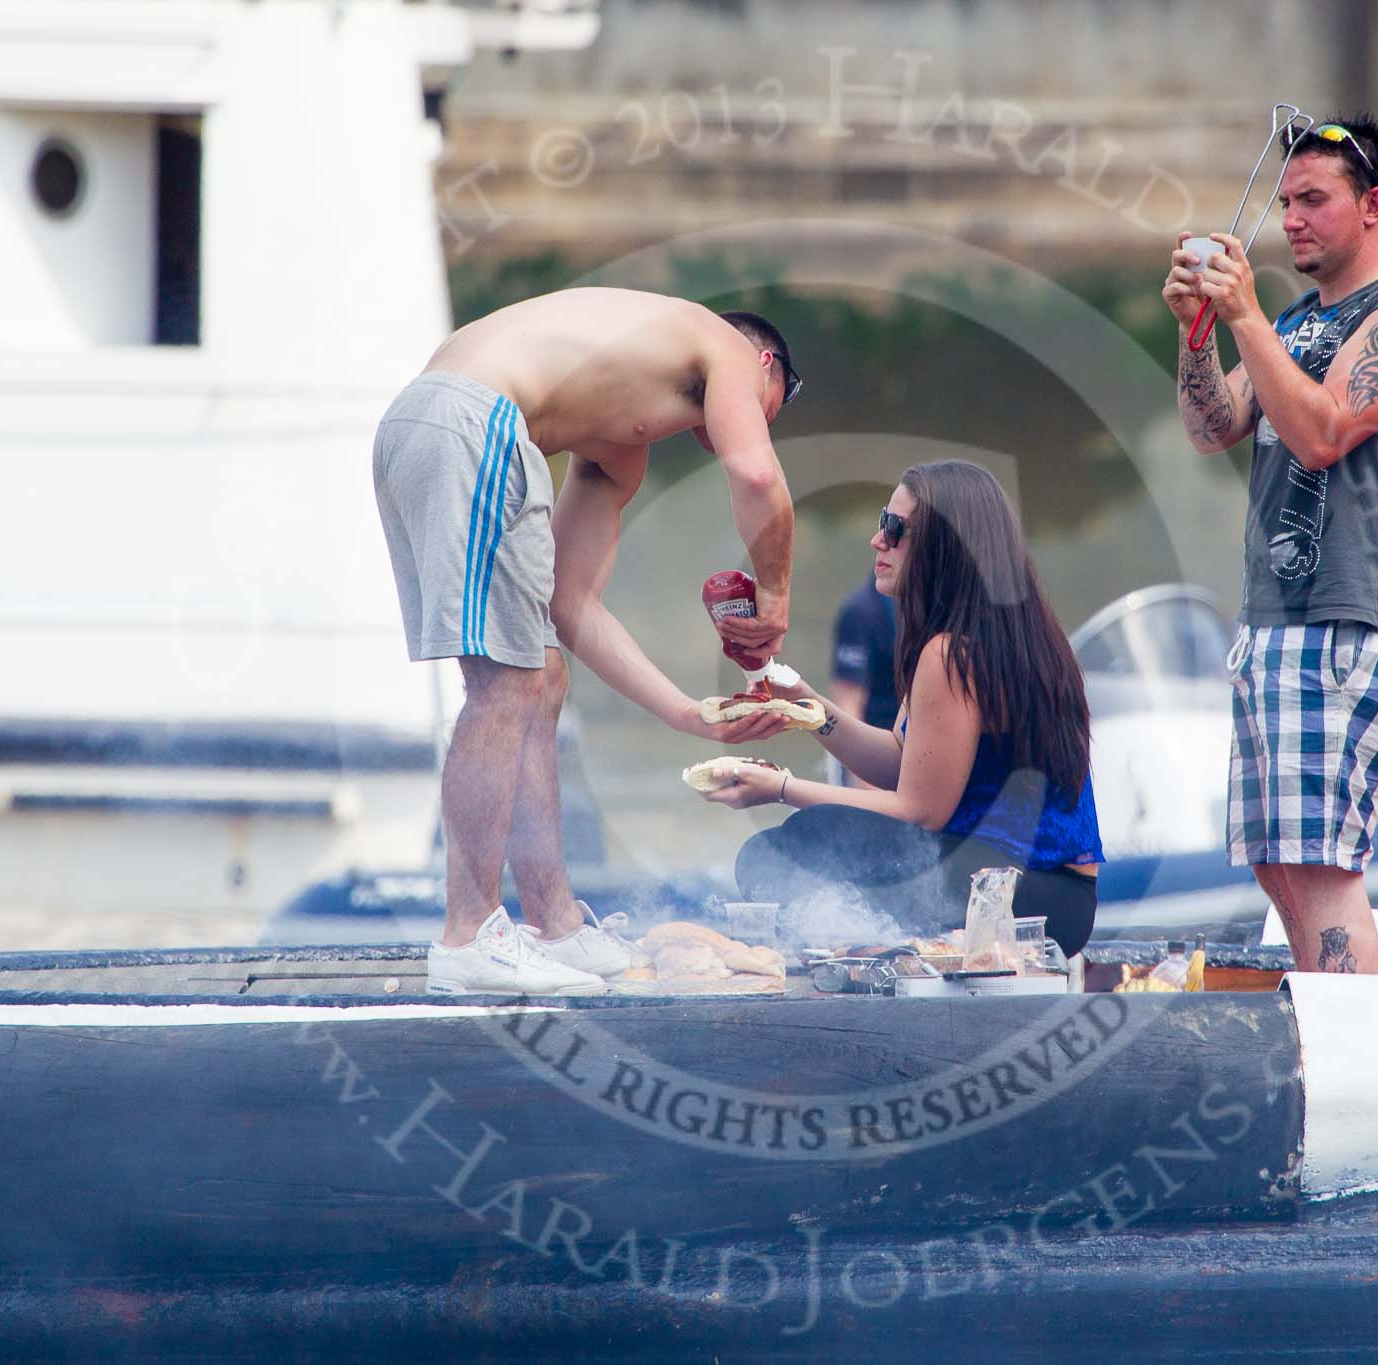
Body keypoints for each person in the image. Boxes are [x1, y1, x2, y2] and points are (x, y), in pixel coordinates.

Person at [373, 287, 800, 994]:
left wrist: (689, 713)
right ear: (765, 363)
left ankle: (555, 924)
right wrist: (776, 597)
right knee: (504, 683)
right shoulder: (721, 343)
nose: (771, 418)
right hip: (472, 417)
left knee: (541, 669)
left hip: (431, 422)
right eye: (783, 393)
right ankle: (468, 933)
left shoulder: (616, 441)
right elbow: (756, 474)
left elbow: (571, 606)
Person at [1162, 113, 1378, 974]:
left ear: (1373, 205)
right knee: (1278, 862)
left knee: (1324, 869)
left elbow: (1324, 430)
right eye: (1285, 200)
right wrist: (1196, 331)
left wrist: (1246, 315)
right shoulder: (1292, 321)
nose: (1291, 217)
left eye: (1313, 199)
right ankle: (1324, 1026)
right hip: (1277, 621)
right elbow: (1211, 427)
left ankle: (1351, 1043)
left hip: (1349, 624)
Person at [694, 460, 1104, 957]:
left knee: (789, 848)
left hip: (1026, 894)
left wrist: (781, 788)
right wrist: (804, 704)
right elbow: (901, 761)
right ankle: (862, 945)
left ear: (943, 548)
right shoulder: (985, 635)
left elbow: (919, 811)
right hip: (1046, 890)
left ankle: (858, 951)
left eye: (894, 528)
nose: (877, 540)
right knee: (789, 849)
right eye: (880, 521)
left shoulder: (953, 653)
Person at [828, 569, 899, 786]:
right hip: (871, 748)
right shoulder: (861, 611)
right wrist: (864, 785)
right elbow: (848, 703)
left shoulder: (939, 607)